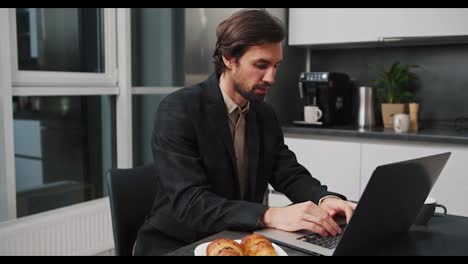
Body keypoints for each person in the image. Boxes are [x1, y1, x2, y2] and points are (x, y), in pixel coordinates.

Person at [134, 9, 356, 256]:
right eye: (261, 65)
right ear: (229, 58)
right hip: (176, 245)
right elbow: (191, 203)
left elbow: (289, 174)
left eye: (276, 66)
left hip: (237, 240)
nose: (271, 78)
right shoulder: (178, 110)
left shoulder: (264, 115)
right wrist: (269, 215)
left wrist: (324, 199)